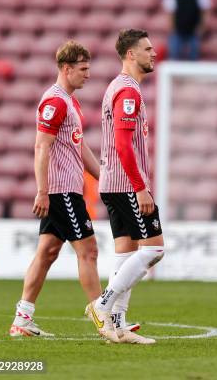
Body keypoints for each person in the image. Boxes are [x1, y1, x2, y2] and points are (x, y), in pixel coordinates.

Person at [9, 41, 110, 340]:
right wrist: (42, 191)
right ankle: (102, 317)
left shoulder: (69, 100)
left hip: (65, 190)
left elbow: (79, 146)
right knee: (88, 251)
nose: (88, 74)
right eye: (83, 69)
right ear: (66, 69)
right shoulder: (54, 102)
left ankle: (22, 319)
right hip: (61, 191)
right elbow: (41, 146)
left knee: (47, 252)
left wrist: (104, 179)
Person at [86, 29, 164, 345]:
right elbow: (122, 142)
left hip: (113, 182)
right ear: (130, 54)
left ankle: (116, 326)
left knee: (126, 252)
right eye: (147, 49)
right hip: (125, 184)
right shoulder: (128, 91)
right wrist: (140, 186)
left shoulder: (120, 87)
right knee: (155, 249)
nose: (153, 53)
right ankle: (102, 305)